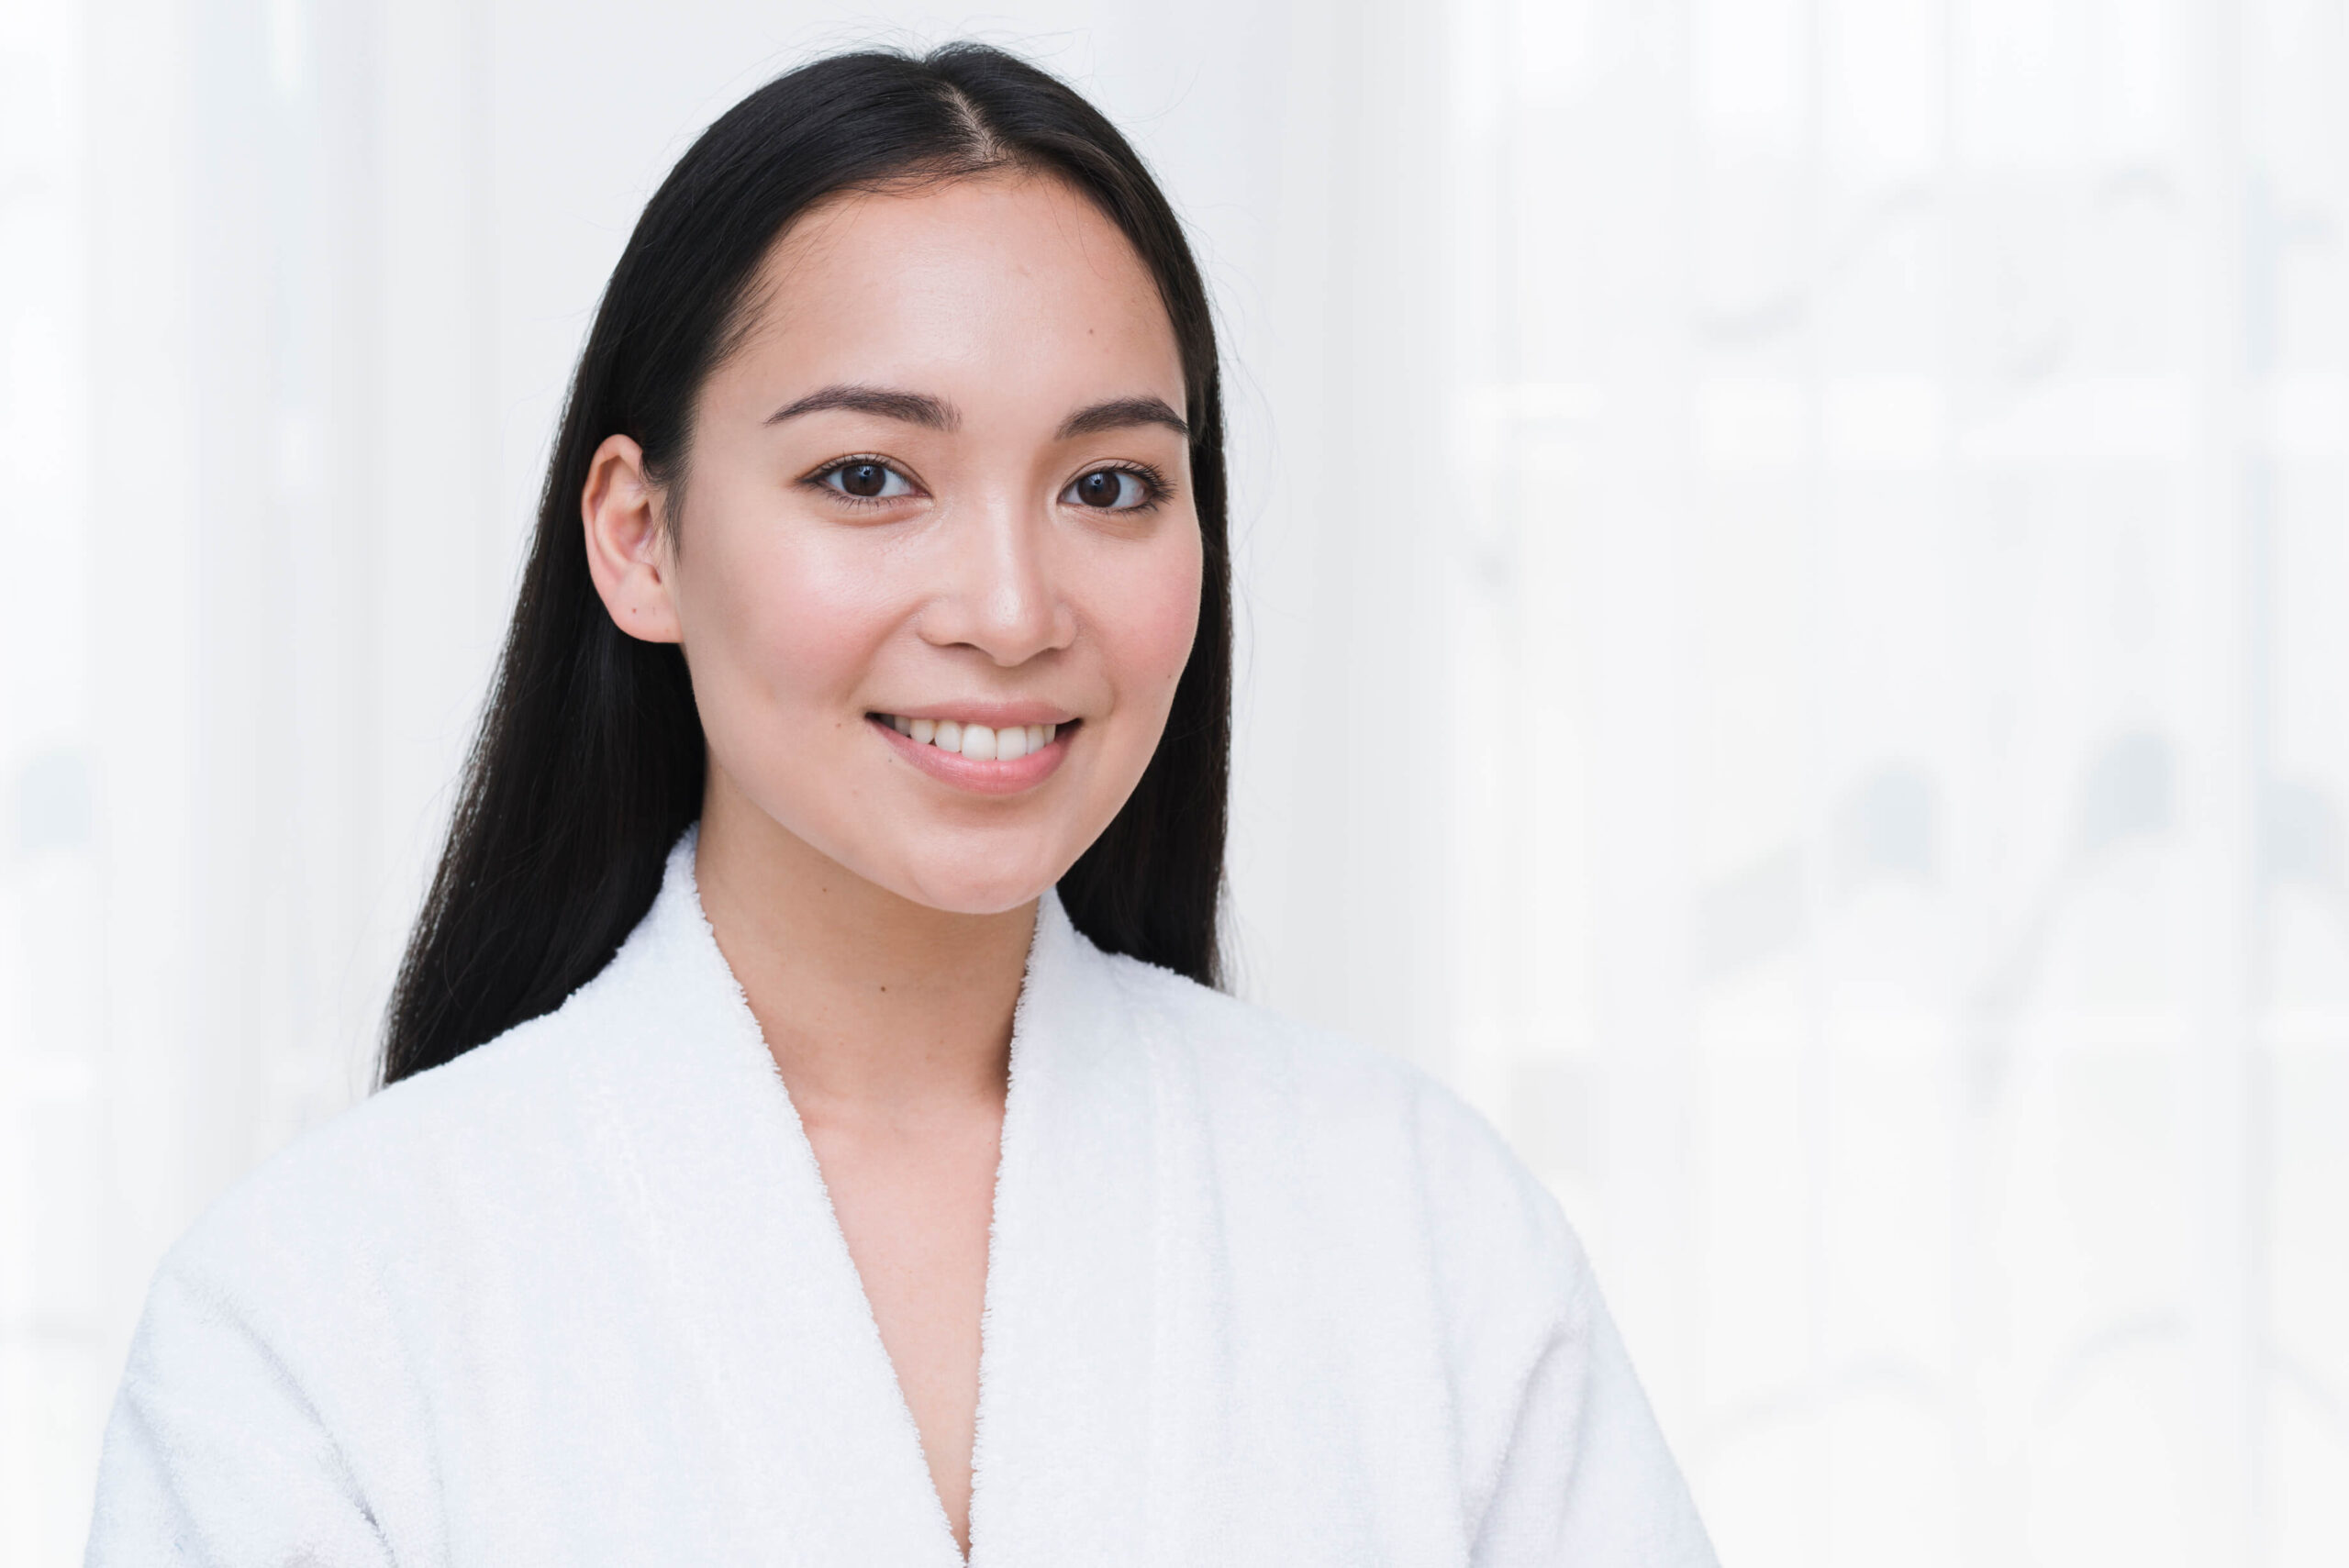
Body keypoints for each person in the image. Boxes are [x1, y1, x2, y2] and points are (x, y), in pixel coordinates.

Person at [83, 42, 1716, 1566]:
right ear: (639, 535)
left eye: (1110, 485)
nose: (1011, 609)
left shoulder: (1423, 1236)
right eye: (868, 476)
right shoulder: (316, 1315)